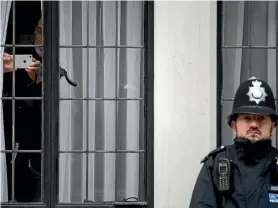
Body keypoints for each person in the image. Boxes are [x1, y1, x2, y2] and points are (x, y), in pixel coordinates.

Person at [189, 77, 278, 207]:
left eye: (261, 118)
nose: (254, 124)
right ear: (234, 125)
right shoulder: (215, 166)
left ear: (272, 127)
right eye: (247, 118)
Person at [2, 17, 42, 202]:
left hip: (41, 131)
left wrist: (37, 78)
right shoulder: (23, 54)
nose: (42, 37)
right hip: (14, 125)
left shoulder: (64, 56)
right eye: (40, 31)